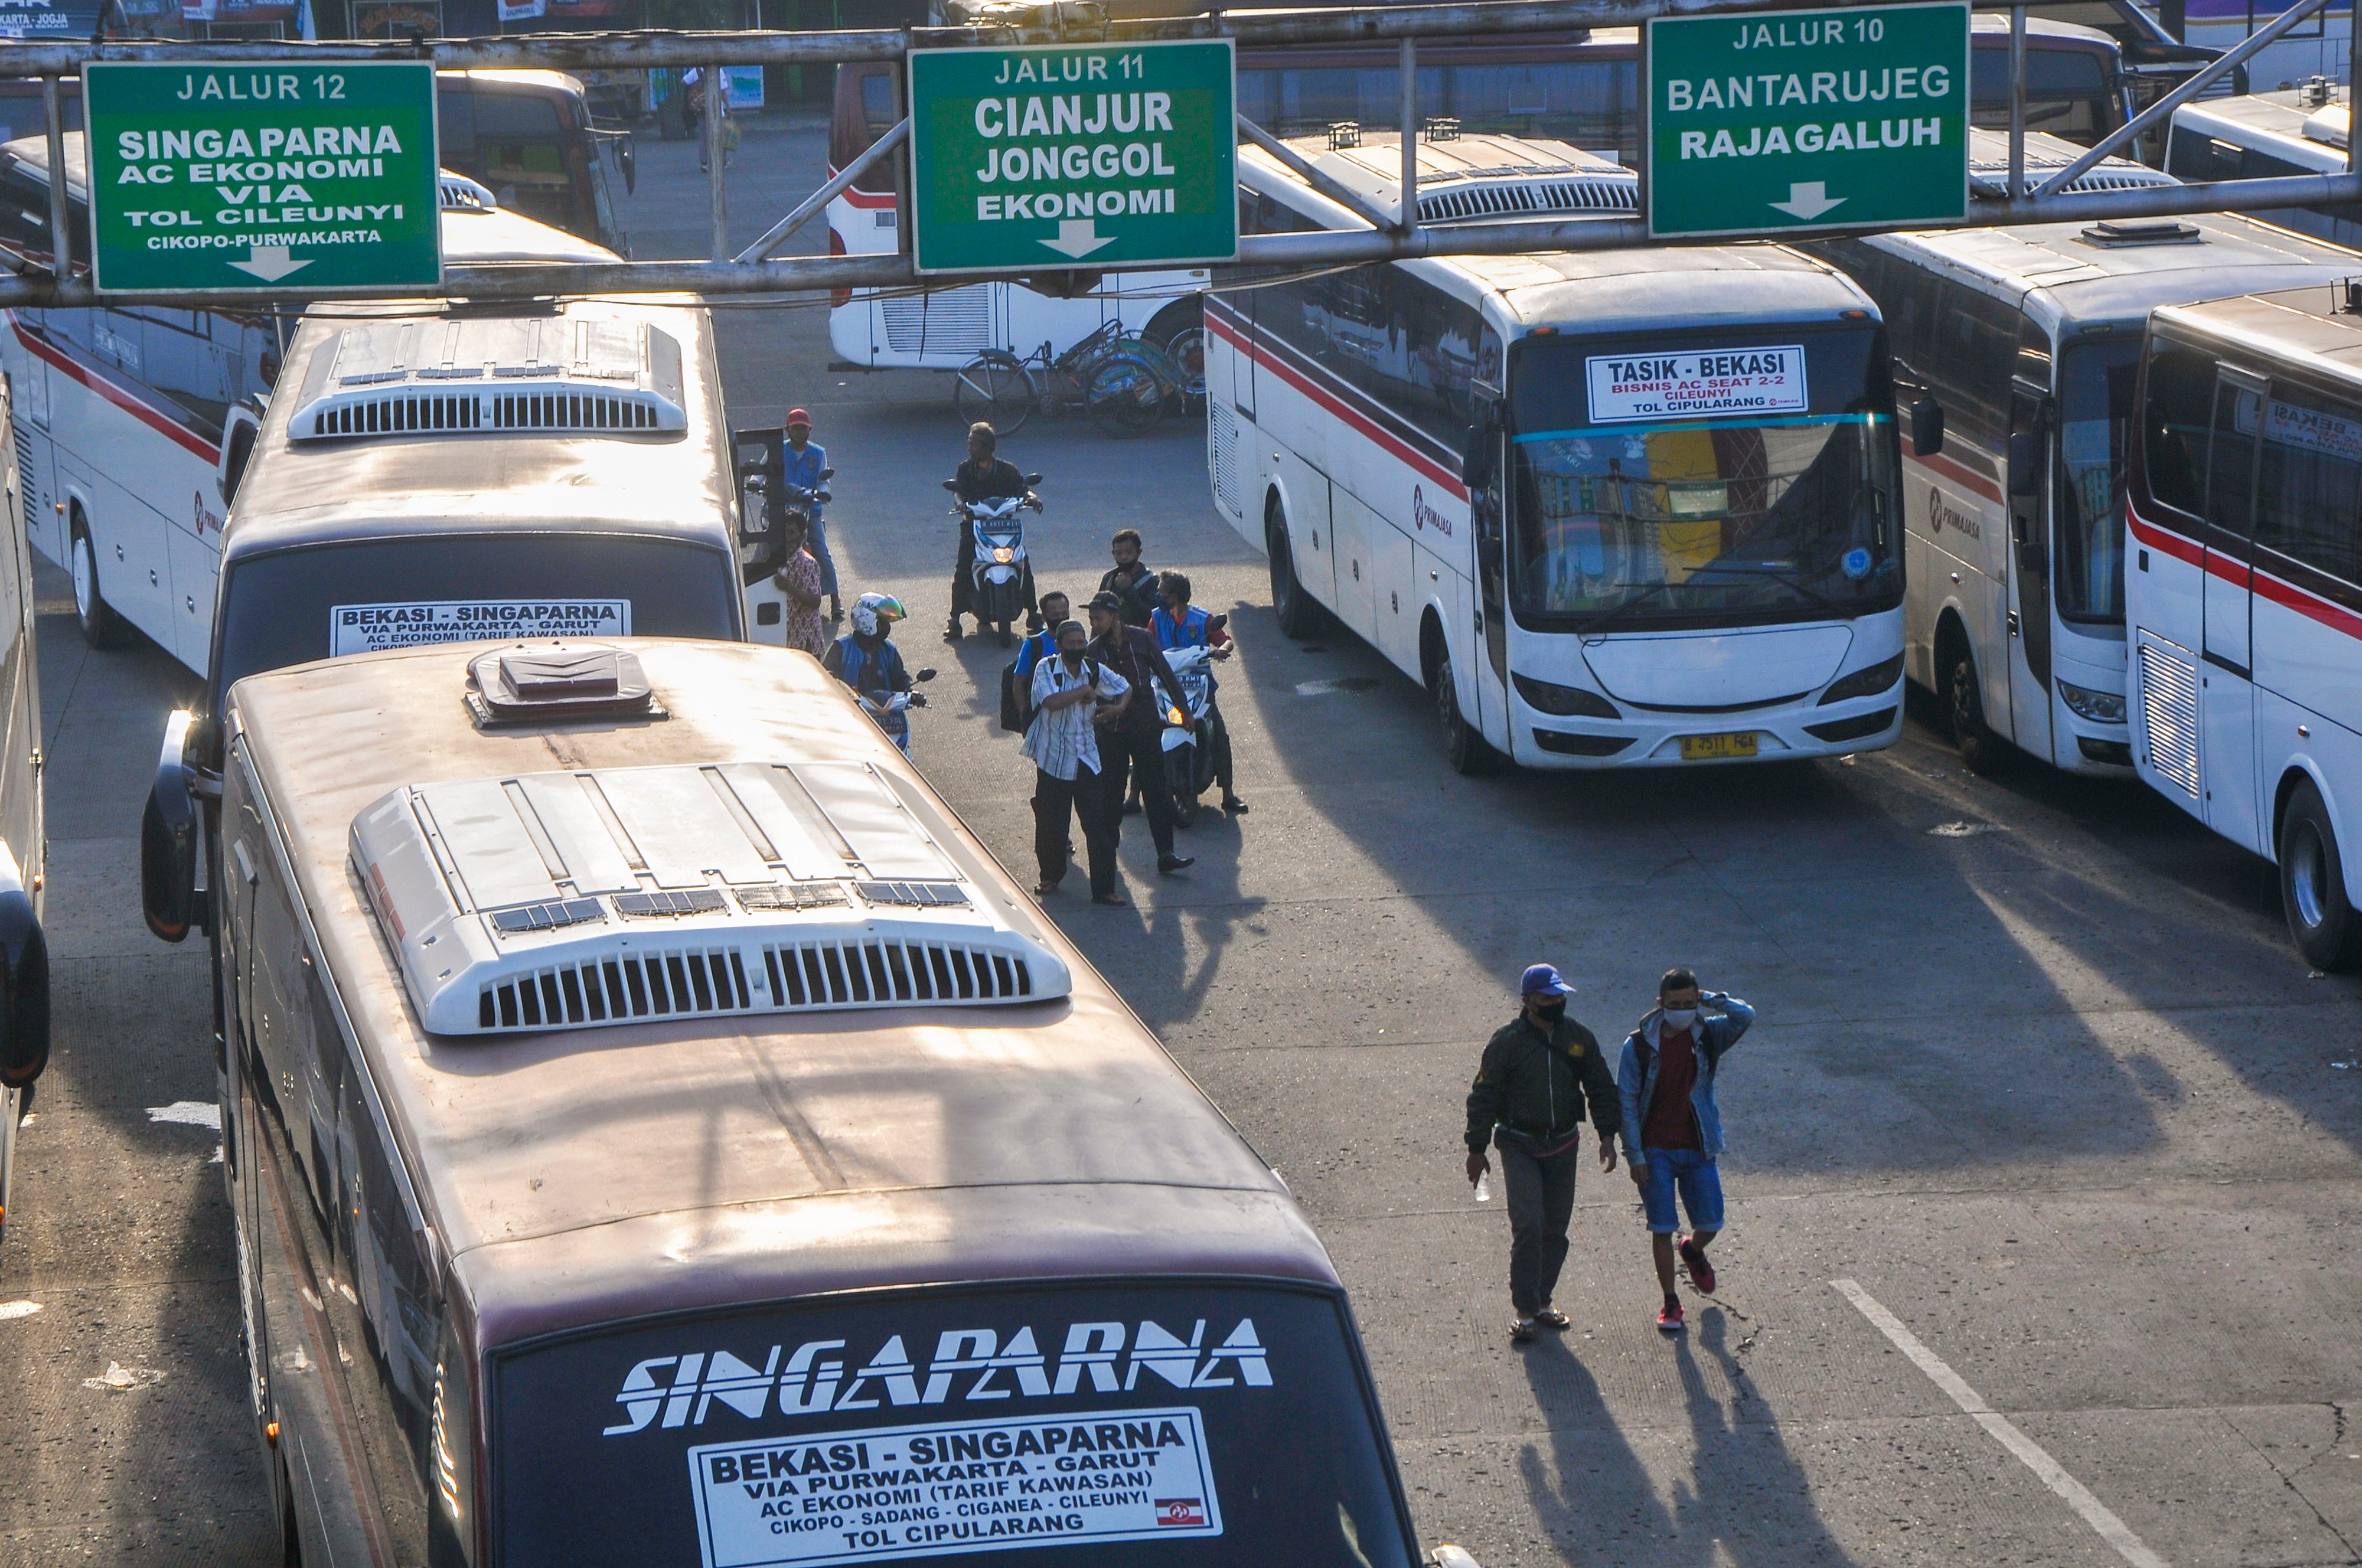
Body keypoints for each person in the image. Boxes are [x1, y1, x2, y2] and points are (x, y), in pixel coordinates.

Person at [1464, 963, 1623, 1344]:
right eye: (1547, 997)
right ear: (1527, 1000)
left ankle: (1542, 1301)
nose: (1556, 1003)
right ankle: (1524, 1310)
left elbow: (1600, 1086)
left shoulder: (1578, 1039)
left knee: (1556, 1229)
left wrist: (1607, 1136)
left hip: (1564, 1145)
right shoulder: (1506, 1043)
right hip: (1518, 1144)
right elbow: (1483, 1096)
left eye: (1559, 996)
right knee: (1530, 1226)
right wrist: (1476, 1148)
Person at [1617, 968, 1755, 1334]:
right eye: (1675, 1005)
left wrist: (1709, 998)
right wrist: (1635, 1156)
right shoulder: (1639, 1046)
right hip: (1656, 1150)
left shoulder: (1709, 1033)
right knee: (1662, 1227)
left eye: (1689, 1004)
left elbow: (1746, 1015)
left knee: (1710, 1222)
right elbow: (1627, 1102)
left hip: (1698, 1146)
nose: (1683, 1011)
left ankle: (1693, 1250)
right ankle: (1671, 1302)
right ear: (1660, 1004)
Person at [1023, 618, 1131, 904]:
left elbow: (1124, 687)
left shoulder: (1093, 669)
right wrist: (1083, 693)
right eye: (1070, 644)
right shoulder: (1046, 668)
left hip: (1087, 760)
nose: (1077, 648)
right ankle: (1050, 876)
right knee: (1051, 825)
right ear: (1058, 646)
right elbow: (1050, 702)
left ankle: (1105, 889)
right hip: (1053, 760)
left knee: (1101, 826)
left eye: (1081, 643)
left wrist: (1117, 708)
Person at [1086, 592, 1193, 876]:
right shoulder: (1093, 652)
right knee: (1112, 793)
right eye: (1092, 619)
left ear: (1115, 617)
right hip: (1112, 731)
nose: (1094, 624)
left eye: (1099, 618)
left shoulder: (1142, 639)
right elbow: (1089, 694)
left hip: (1146, 726)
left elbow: (1166, 674)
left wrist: (1185, 712)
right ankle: (1107, 858)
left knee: (1156, 791)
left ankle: (1166, 854)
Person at [1148, 571, 1246, 815]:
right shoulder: (1156, 618)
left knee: (1219, 735)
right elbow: (1145, 642)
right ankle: (1134, 794)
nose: (1159, 596)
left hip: (1199, 686)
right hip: (1165, 687)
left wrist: (1222, 650)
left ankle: (1228, 793)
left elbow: (1225, 640)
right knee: (1147, 735)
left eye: (1163, 592)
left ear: (1176, 595)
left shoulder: (1202, 619)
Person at [947, 422, 1038, 641]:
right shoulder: (965, 469)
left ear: (988, 447)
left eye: (974, 445)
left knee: (1022, 562)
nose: (970, 449)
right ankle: (955, 620)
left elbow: (1023, 490)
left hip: (1004, 526)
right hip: (974, 524)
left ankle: (1034, 615)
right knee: (964, 567)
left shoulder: (1007, 470)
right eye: (969, 444)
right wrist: (960, 504)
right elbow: (958, 492)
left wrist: (1032, 499)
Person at [824, 593, 915, 747]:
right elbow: (827, 677)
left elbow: (900, 676)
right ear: (868, 621)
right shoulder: (842, 647)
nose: (887, 627)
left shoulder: (889, 649)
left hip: (885, 713)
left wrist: (910, 691)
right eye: (883, 622)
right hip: (852, 713)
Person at [782, 409, 840, 622]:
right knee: (768, 549)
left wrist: (823, 493)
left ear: (809, 430)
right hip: (785, 510)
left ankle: (835, 599)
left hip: (811, 510)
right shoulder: (778, 450)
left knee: (822, 552)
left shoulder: (818, 453)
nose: (799, 432)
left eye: (802, 428)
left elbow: (824, 479)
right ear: (788, 430)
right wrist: (756, 482)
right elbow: (763, 472)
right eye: (795, 428)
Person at [771, 508, 828, 658]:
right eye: (784, 533)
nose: (787, 538)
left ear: (803, 536)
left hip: (806, 641)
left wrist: (789, 588)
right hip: (788, 639)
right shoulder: (777, 561)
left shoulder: (809, 564)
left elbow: (815, 601)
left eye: (792, 533)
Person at [1098, 528, 1161, 627]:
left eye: (1129, 552)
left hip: (1139, 639)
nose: (1123, 557)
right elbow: (1098, 613)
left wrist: (1128, 590)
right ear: (1113, 554)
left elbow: (1152, 617)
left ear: (1139, 553)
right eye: (1118, 553)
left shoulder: (1153, 581)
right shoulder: (1109, 579)